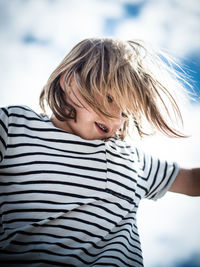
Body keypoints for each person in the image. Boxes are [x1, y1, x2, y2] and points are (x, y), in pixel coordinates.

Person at [0, 37, 199, 267]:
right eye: (108, 98)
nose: (116, 118)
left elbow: (193, 180)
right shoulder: (16, 125)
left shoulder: (132, 159)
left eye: (125, 112)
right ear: (69, 82)